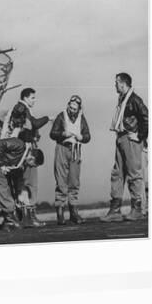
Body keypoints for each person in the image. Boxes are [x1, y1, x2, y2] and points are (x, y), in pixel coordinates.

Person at [101, 72, 149, 222]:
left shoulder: (134, 99)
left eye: (116, 82)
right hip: (121, 138)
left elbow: (146, 117)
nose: (115, 85)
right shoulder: (122, 99)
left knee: (134, 173)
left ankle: (137, 209)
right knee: (117, 173)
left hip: (130, 138)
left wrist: (140, 136)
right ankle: (115, 210)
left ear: (123, 83)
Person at [3, 88, 50, 227]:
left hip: (19, 150)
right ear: (25, 97)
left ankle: (24, 217)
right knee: (27, 183)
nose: (34, 100)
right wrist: (48, 118)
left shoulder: (19, 109)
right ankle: (29, 217)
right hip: (22, 151)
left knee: (20, 184)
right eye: (33, 97)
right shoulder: (21, 109)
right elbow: (31, 125)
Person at [0, 137, 45, 232]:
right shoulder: (20, 145)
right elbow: (1, 144)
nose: (30, 167)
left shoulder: (21, 155)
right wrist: (1, 165)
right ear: (31, 157)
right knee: (2, 185)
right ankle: (10, 220)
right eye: (33, 164)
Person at [49, 95, 91, 225]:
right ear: (68, 105)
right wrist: (62, 134)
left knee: (74, 181)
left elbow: (88, 136)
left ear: (79, 109)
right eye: (70, 107)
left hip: (75, 150)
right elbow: (52, 133)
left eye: (74, 109)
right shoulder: (61, 116)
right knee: (61, 181)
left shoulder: (82, 119)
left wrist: (81, 137)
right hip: (62, 148)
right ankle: (60, 213)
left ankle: (74, 212)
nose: (71, 110)